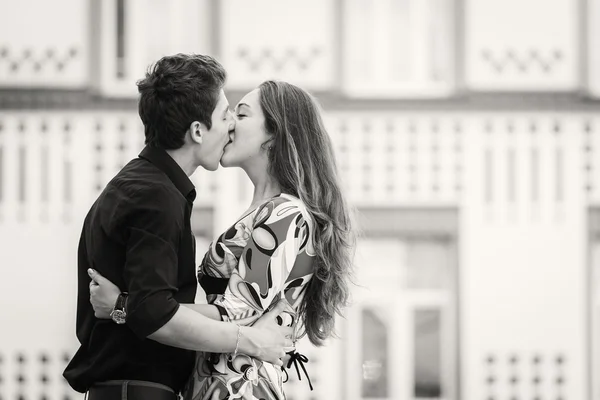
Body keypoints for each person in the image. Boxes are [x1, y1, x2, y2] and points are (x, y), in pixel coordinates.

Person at [89, 80, 356, 400]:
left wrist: (126, 305)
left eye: (240, 116)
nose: (228, 124)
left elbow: (236, 313)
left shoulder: (286, 214)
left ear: (273, 133)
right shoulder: (263, 212)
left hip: (242, 390)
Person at [63, 54, 293, 400]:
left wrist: (121, 305)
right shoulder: (155, 196)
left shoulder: (143, 186)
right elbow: (154, 312)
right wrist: (253, 342)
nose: (231, 124)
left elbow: (144, 307)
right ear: (198, 131)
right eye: (225, 113)